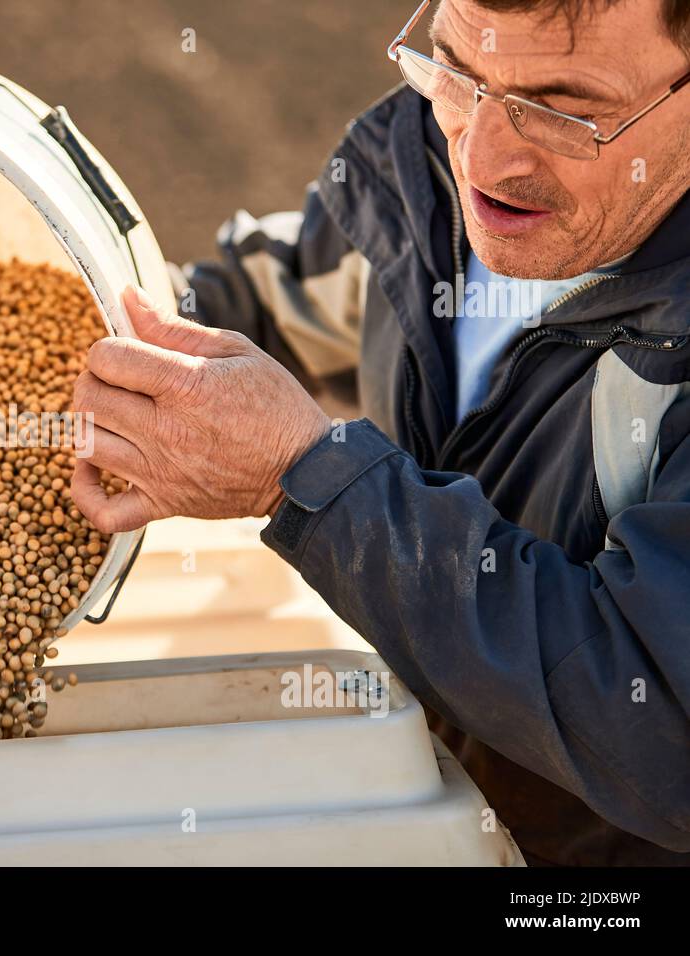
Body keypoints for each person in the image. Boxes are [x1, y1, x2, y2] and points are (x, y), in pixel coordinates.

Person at [70, 0, 690, 865]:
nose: (481, 155)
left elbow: (662, 729)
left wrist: (309, 476)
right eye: (456, 74)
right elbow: (294, 291)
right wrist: (98, 331)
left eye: (563, 108)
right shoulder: (428, 178)